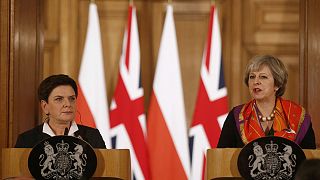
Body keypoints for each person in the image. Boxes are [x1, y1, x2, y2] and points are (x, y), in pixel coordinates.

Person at [217, 55, 316, 149]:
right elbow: (222, 156)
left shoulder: (298, 115)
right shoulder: (236, 115)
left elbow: (309, 163)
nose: (256, 81)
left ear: (277, 84)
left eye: (263, 77)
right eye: (252, 77)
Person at [15, 74, 106, 148]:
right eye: (59, 99)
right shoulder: (27, 140)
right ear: (45, 106)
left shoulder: (92, 136)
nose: (68, 104)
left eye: (72, 99)